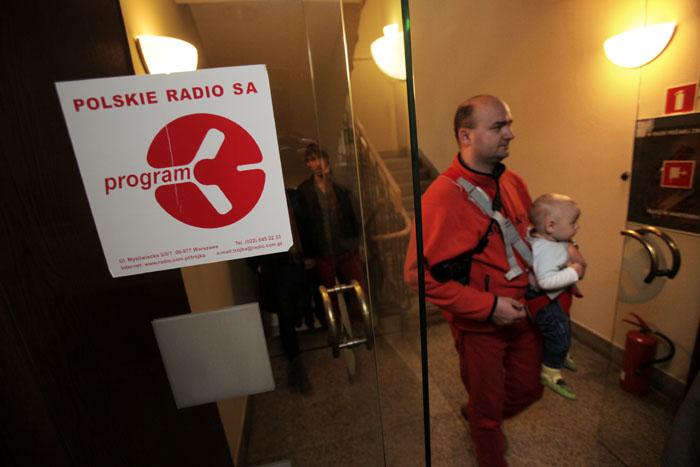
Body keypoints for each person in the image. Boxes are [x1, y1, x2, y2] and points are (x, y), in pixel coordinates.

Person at [405, 95, 586, 466]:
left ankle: (477, 418)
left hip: (526, 312)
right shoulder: (441, 198)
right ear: (466, 136)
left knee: (530, 389)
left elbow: (537, 235)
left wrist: (568, 254)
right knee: (488, 410)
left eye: (510, 124)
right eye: (498, 126)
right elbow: (416, 276)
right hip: (480, 328)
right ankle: (485, 435)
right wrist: (488, 307)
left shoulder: (513, 182)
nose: (510, 134)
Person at [248, 188, 312, 394]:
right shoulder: (255, 199)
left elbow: (305, 225)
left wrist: (308, 255)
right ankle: (295, 362)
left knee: (297, 305)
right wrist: (255, 264)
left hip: (296, 262)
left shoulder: (293, 195)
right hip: (275, 267)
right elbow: (246, 231)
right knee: (285, 314)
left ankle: (296, 341)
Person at [296, 143, 365, 321]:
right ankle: (336, 327)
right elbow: (303, 224)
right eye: (311, 160)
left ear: (326, 159)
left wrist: (359, 242)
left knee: (359, 289)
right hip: (322, 252)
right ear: (307, 164)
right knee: (329, 296)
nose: (316, 163)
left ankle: (362, 322)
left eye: (319, 158)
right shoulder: (304, 190)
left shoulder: (340, 184)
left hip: (347, 247)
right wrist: (307, 255)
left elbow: (353, 214)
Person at [527, 193, 584, 400]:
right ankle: (550, 371)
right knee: (558, 335)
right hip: (546, 305)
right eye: (573, 223)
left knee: (564, 328)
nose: (577, 226)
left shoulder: (541, 236)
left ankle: (560, 353)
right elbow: (545, 282)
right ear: (550, 226)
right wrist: (574, 271)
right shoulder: (546, 250)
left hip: (555, 300)